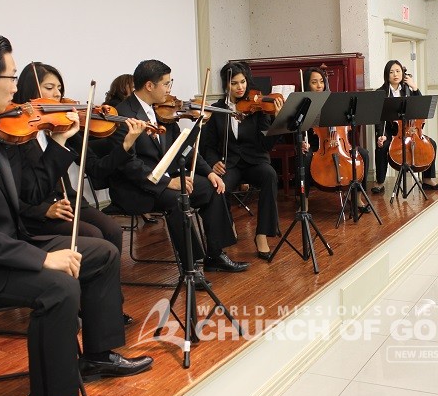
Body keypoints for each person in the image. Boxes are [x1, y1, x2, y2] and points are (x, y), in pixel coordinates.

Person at [0, 33, 152, 396]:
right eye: (10, 77)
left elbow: (31, 189)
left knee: (103, 252)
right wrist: (42, 259)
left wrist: (60, 142)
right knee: (60, 288)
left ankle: (97, 357)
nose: (15, 87)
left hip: (9, 245)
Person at [12, 62, 149, 325]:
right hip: (37, 211)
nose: (57, 95)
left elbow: (97, 169)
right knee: (93, 235)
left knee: (112, 230)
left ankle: (108, 304)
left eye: (59, 89)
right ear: (30, 90)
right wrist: (43, 210)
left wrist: (126, 144)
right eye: (49, 87)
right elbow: (14, 190)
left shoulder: (63, 124)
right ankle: (85, 305)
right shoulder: (18, 133)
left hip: (68, 200)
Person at [109, 59, 248, 273]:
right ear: (149, 85)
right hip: (136, 187)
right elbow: (129, 165)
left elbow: (184, 147)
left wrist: (209, 172)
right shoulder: (122, 115)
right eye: (166, 84)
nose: (169, 89)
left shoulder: (162, 111)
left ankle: (215, 254)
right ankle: (191, 267)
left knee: (213, 187)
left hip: (164, 181)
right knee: (178, 198)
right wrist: (167, 182)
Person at [201, 61, 283, 260]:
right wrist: (213, 162)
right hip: (230, 163)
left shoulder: (258, 107)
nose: (240, 87)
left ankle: (262, 234)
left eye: (243, 82)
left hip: (255, 161)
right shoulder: (217, 110)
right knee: (218, 185)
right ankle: (228, 225)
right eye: (234, 83)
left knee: (270, 175)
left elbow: (266, 145)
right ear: (226, 85)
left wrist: (278, 121)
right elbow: (208, 145)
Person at [301, 66, 370, 211]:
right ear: (307, 85)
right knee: (305, 159)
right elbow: (299, 130)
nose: (319, 85)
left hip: (339, 142)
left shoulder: (335, 101)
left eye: (321, 81)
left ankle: (357, 197)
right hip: (317, 146)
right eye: (314, 82)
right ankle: (304, 200)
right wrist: (302, 142)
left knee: (363, 154)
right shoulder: (304, 104)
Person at [372, 59, 438, 194]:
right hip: (391, 131)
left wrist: (414, 87)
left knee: (431, 143)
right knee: (382, 147)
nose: (395, 74)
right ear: (386, 75)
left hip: (410, 129)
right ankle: (380, 181)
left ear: (402, 73)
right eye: (391, 72)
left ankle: (427, 179)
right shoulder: (381, 92)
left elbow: (421, 107)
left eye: (398, 71)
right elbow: (378, 119)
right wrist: (380, 135)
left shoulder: (408, 90)